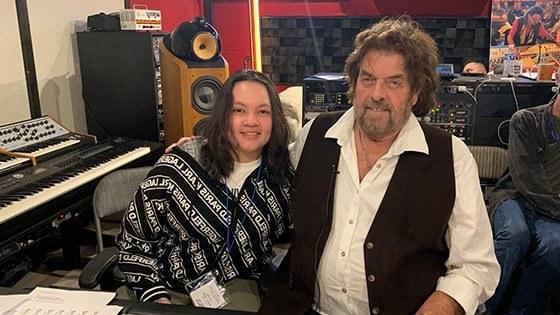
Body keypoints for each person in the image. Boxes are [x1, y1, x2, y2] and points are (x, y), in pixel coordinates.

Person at [259, 16, 500, 315]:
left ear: (415, 92)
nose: (376, 94)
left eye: (394, 82)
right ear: (354, 82)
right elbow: (260, 173)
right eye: (368, 79)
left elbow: (475, 266)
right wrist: (201, 150)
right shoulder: (315, 134)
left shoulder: (451, 156)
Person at [115, 70, 293, 311]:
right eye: (238, 110)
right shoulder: (179, 165)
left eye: (263, 111)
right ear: (223, 115)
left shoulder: (283, 179)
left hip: (237, 287)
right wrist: (156, 298)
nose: (251, 121)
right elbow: (133, 241)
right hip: (161, 285)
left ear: (275, 119)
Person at [484, 90, 560, 314]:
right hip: (515, 196)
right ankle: (482, 306)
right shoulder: (526, 120)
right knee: (514, 235)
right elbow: (527, 181)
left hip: (554, 211)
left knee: (556, 246)